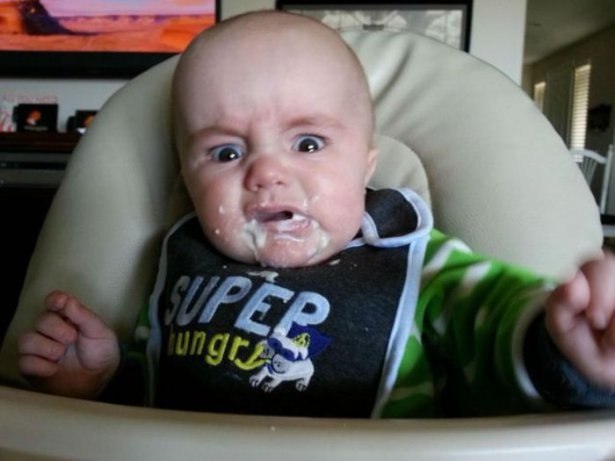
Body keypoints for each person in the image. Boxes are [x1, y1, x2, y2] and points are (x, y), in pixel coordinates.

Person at [17, 10, 615, 418]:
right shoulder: (181, 263)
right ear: (187, 179)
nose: (266, 173)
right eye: (226, 153)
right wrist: (98, 381)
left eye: (307, 143)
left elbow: (495, 324)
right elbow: (156, 393)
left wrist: (566, 349)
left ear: (365, 167)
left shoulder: (419, 263)